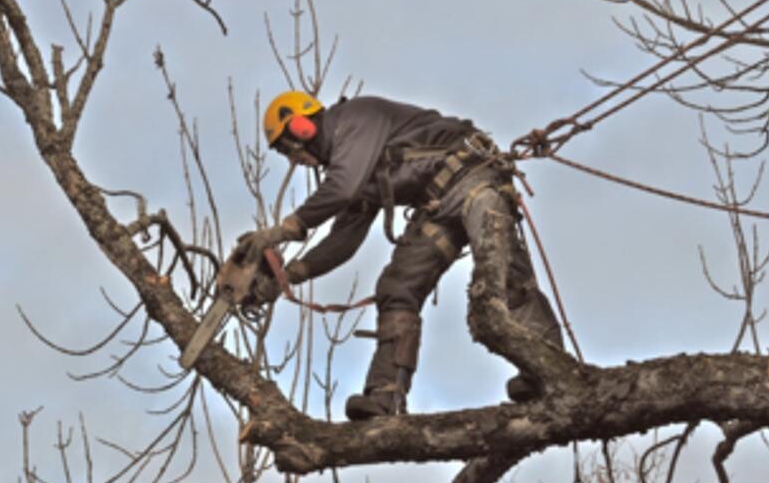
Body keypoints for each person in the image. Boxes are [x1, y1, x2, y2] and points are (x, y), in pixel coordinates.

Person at [237, 91, 563, 421]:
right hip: (436, 205)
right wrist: (286, 276)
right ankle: (385, 396)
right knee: (397, 288)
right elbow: (343, 241)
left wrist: (288, 228)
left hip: (473, 178)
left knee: (501, 273)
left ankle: (552, 369)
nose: (292, 158)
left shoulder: (354, 118)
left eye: (285, 146)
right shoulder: (353, 167)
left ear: (301, 127)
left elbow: (342, 188)